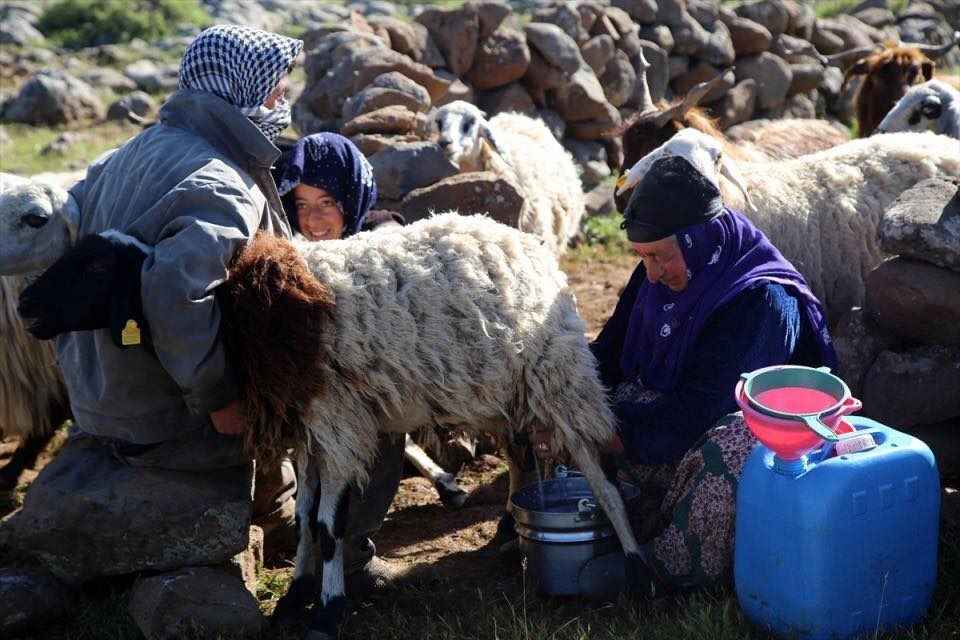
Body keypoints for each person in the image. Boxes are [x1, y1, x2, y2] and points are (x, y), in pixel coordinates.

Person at [1, 25, 307, 624]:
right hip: (164, 414)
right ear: (238, 91)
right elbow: (176, 294)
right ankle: (254, 534)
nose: (281, 103)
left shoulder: (126, 153)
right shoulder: (220, 182)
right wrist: (219, 397)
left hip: (98, 400)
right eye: (274, 92)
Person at [571, 155, 838, 596]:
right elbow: (611, 352)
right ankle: (627, 523)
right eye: (642, 258)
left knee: (736, 447)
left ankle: (667, 570)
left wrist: (610, 431)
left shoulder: (759, 301)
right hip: (667, 426)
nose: (651, 273)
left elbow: (705, 411)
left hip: (737, 441)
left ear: (699, 240)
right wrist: (568, 396)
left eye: (659, 257)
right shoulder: (657, 272)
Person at [269, 132, 405, 592]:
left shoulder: (381, 245)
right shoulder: (286, 257)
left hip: (370, 389)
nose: (314, 220)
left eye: (327, 202)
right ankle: (313, 554)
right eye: (301, 205)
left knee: (383, 438)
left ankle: (353, 554)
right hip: (311, 398)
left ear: (352, 196)